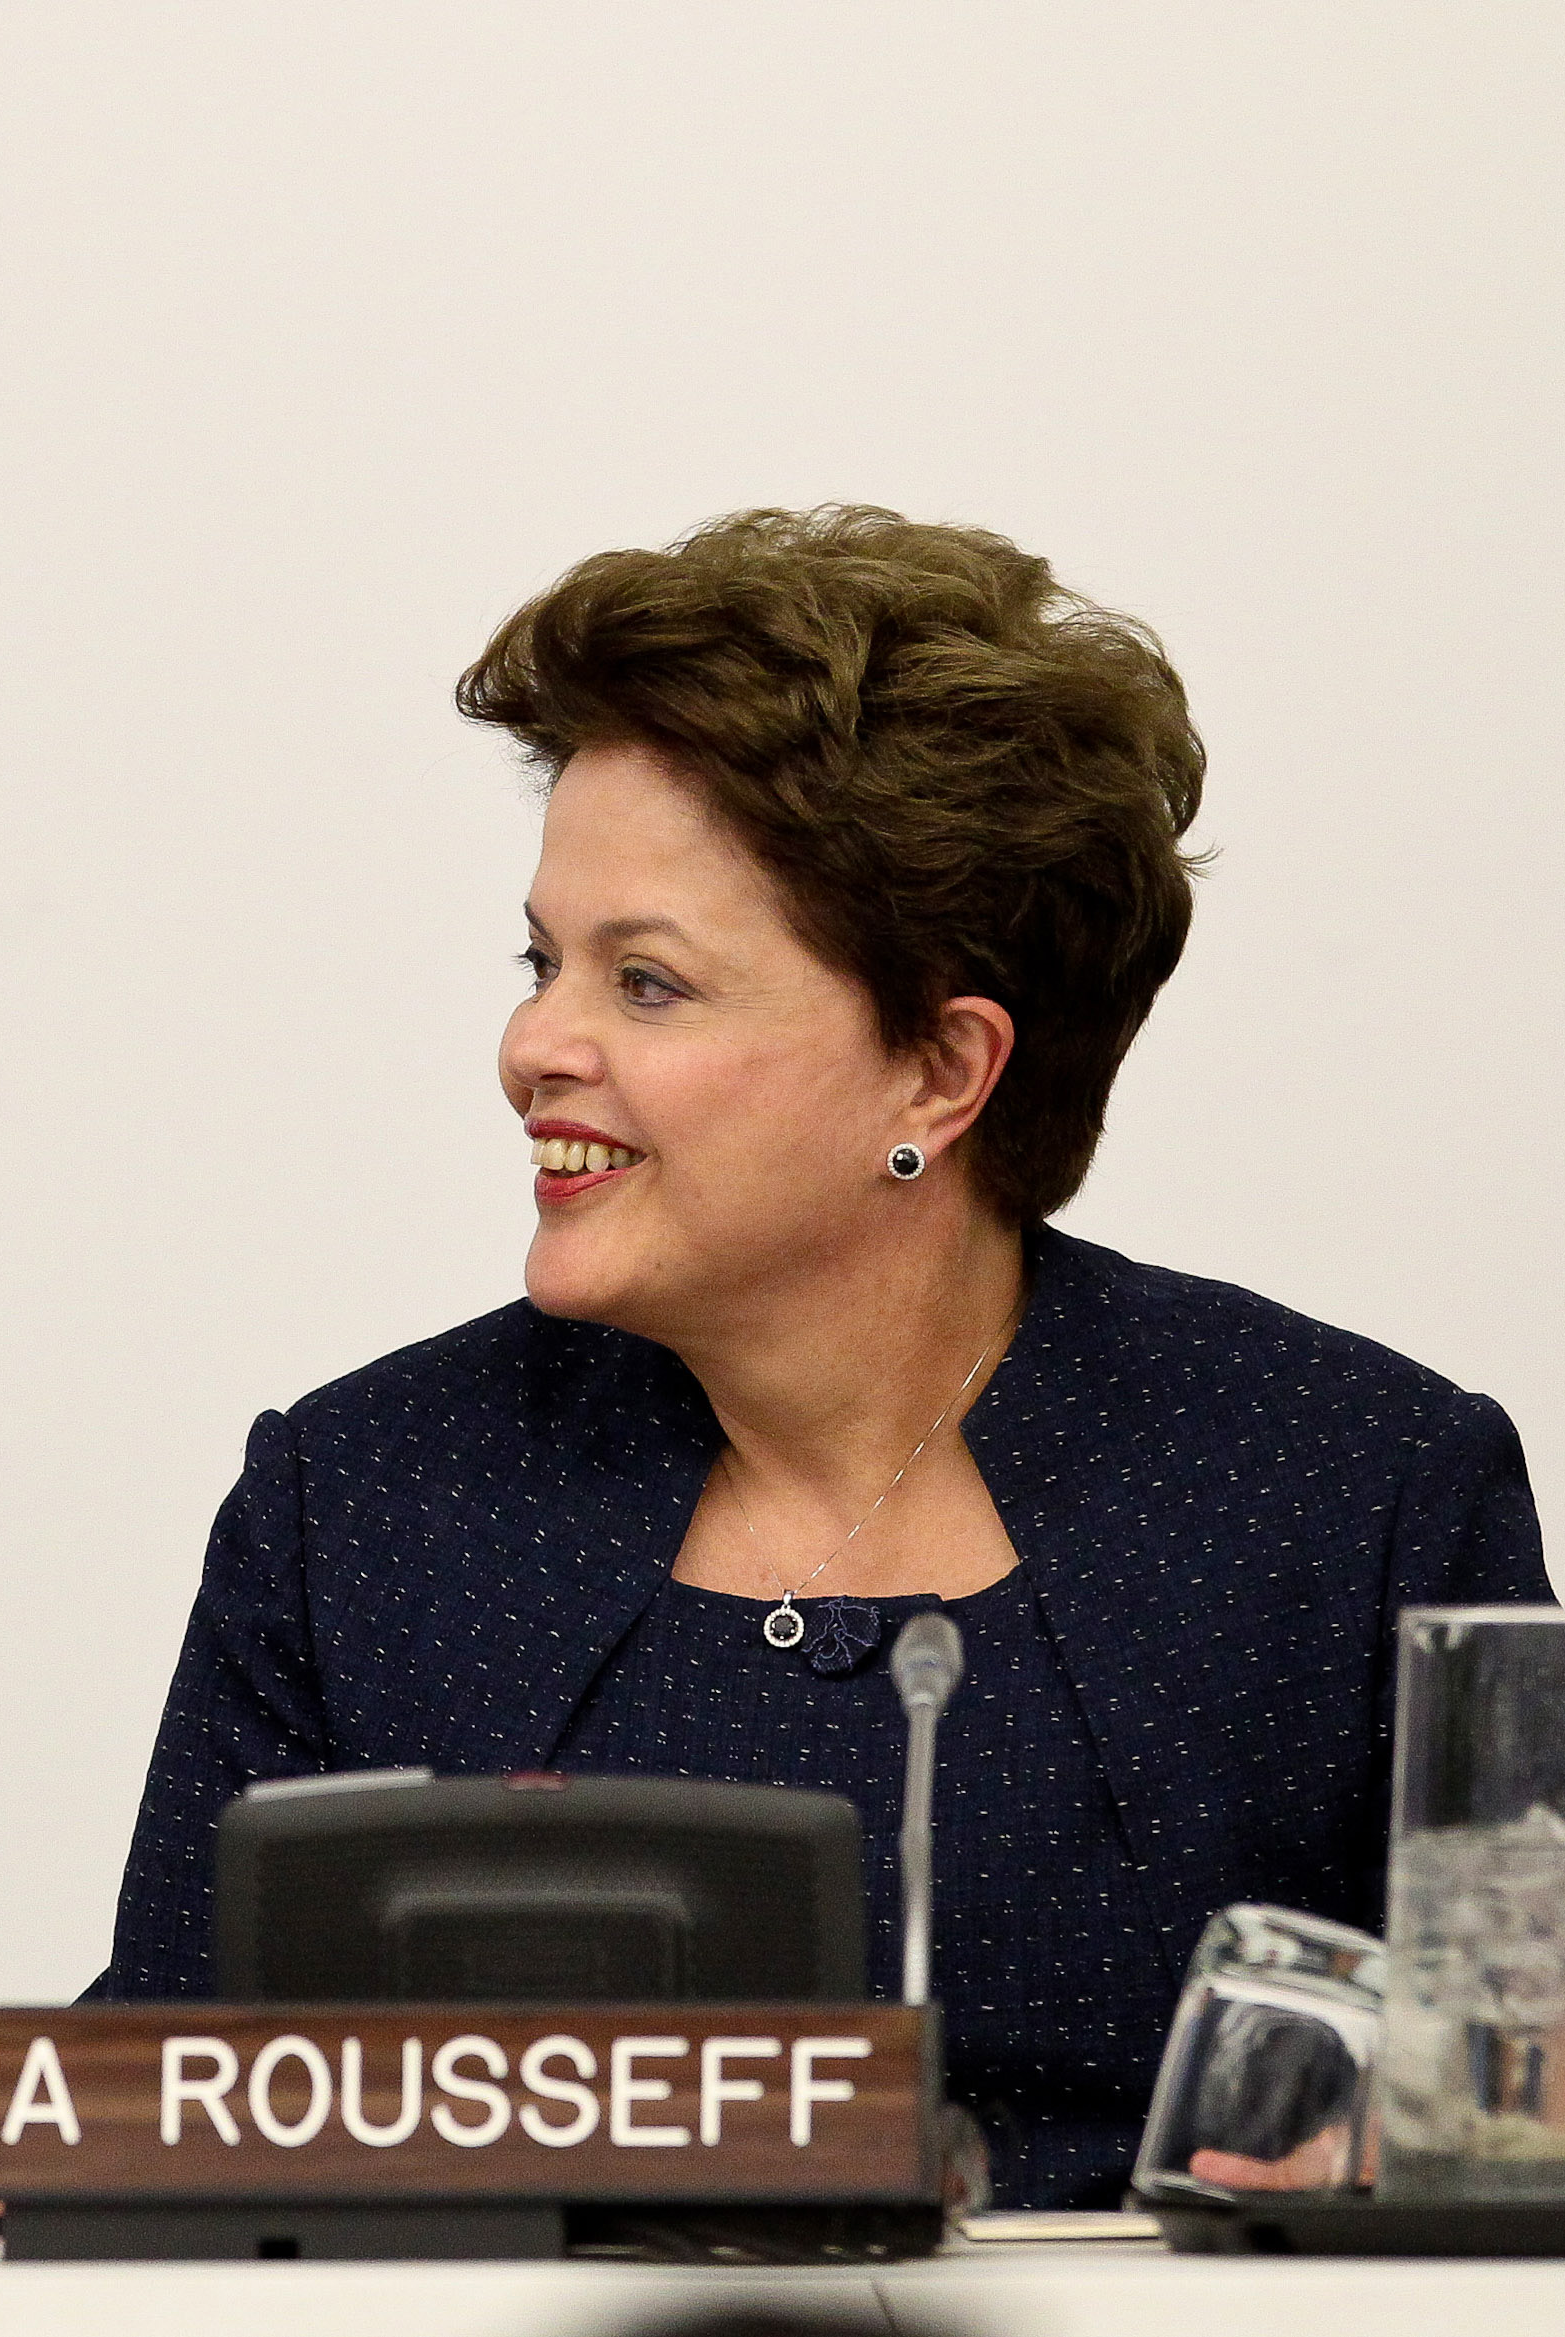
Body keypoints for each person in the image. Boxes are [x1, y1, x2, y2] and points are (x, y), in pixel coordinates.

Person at [95, 508, 1547, 2208]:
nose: (528, 1047)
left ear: (938, 1072)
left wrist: (1466, 2149)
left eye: (643, 983)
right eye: (538, 960)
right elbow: (150, 2114)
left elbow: (1528, 2098)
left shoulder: (1348, 1488)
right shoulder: (359, 1503)